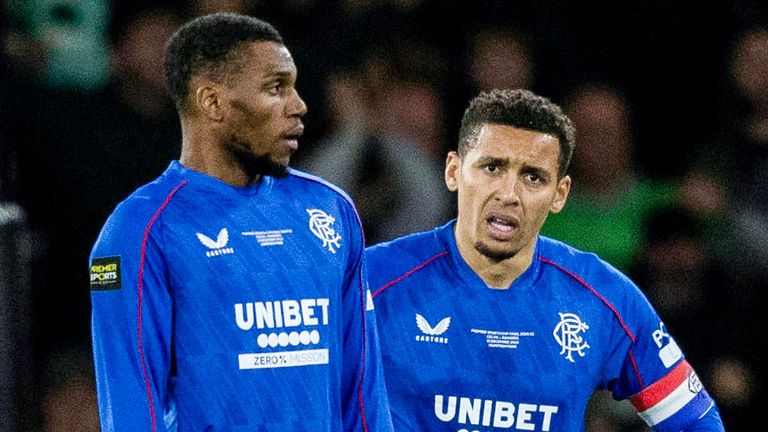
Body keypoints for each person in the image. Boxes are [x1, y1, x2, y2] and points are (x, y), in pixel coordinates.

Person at [88, 12, 392, 431]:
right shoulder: (140, 230)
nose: (299, 105)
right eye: (276, 87)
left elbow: (362, 391)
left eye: (294, 86)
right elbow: (132, 409)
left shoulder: (330, 210)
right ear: (211, 102)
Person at [366, 89, 724, 431]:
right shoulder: (370, 280)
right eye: (492, 168)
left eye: (532, 177)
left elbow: (695, 420)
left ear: (559, 194)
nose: (508, 194)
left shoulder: (603, 298)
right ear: (454, 171)